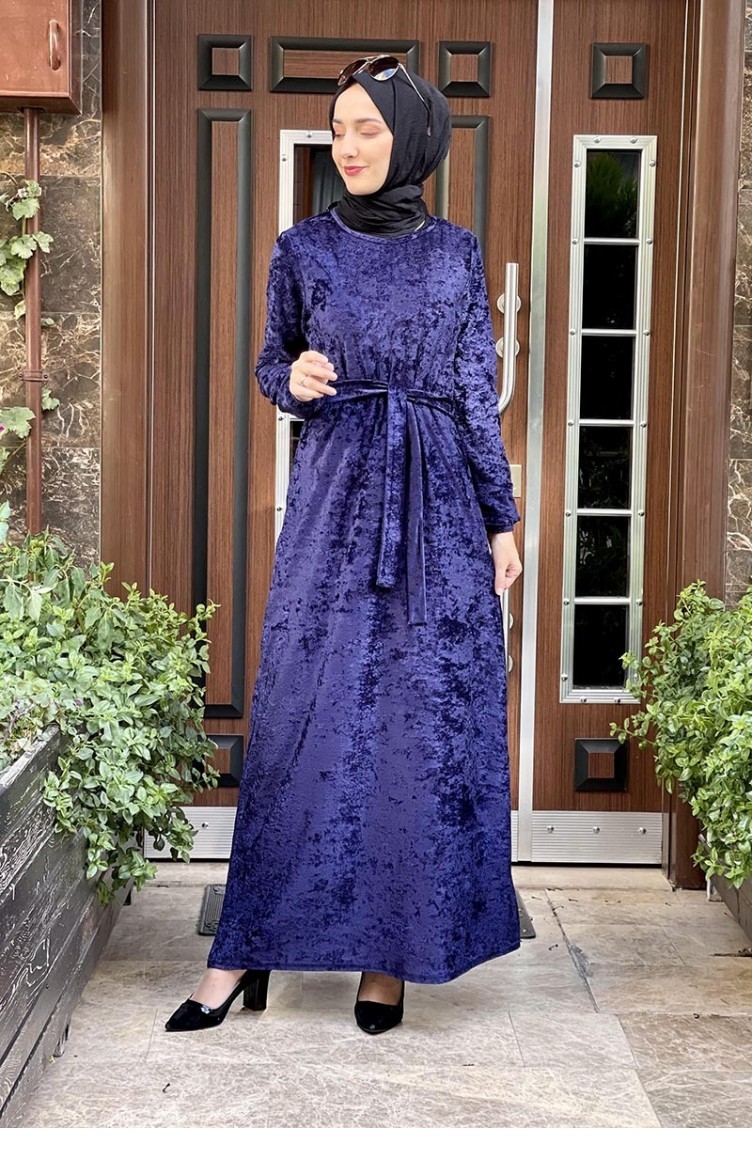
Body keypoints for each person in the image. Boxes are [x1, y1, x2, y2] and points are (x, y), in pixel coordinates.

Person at [165, 56, 523, 1038]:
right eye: (338, 129)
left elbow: (473, 395)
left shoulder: (455, 254)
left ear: (411, 139)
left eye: (368, 128)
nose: (349, 146)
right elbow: (269, 361)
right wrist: (293, 382)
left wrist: (500, 522)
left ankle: (388, 956)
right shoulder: (301, 248)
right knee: (300, 713)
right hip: (332, 501)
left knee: (415, 722)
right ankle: (238, 951)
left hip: (438, 508)